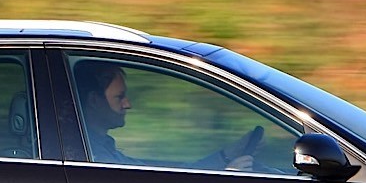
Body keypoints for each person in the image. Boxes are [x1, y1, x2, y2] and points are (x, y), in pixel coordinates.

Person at [73, 60, 261, 169]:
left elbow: (160, 178)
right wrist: (226, 179)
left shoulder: (97, 146)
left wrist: (225, 156)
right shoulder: (95, 157)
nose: (127, 104)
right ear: (94, 101)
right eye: (119, 97)